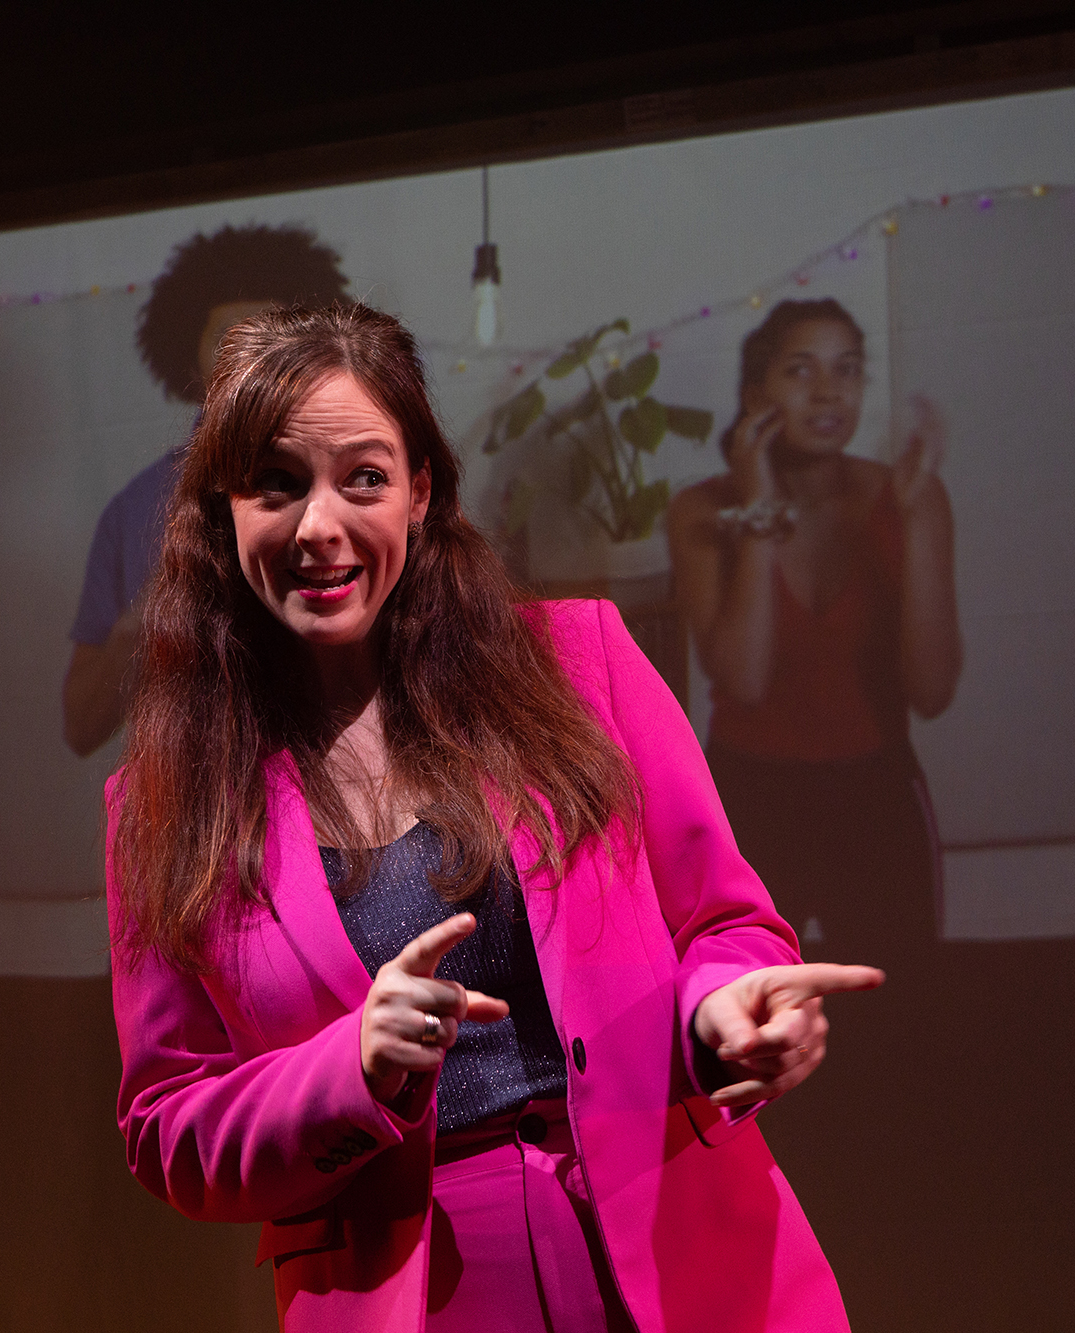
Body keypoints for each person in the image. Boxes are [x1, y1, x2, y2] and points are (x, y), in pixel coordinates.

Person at [105, 302, 885, 1332]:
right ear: (224, 513)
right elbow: (168, 1125)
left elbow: (724, 926)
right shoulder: (164, 805)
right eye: (276, 486)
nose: (320, 526)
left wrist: (721, 1013)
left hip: (674, 1244)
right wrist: (351, 1067)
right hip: (415, 1298)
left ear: (421, 491)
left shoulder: (578, 665)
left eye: (364, 478)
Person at [668, 299, 962, 962]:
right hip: (750, 794)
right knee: (746, 1014)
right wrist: (761, 510)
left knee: (903, 1009)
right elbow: (742, 676)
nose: (828, 391)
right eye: (801, 371)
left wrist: (914, 527)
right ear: (756, 395)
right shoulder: (703, 510)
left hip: (877, 792)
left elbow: (934, 691)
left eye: (847, 370)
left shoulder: (908, 497)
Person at [62, 223, 353, 756]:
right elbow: (81, 725)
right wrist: (149, 619)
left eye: (268, 340)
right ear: (186, 351)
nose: (246, 365)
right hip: (196, 809)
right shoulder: (135, 512)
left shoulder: (360, 489)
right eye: (226, 339)